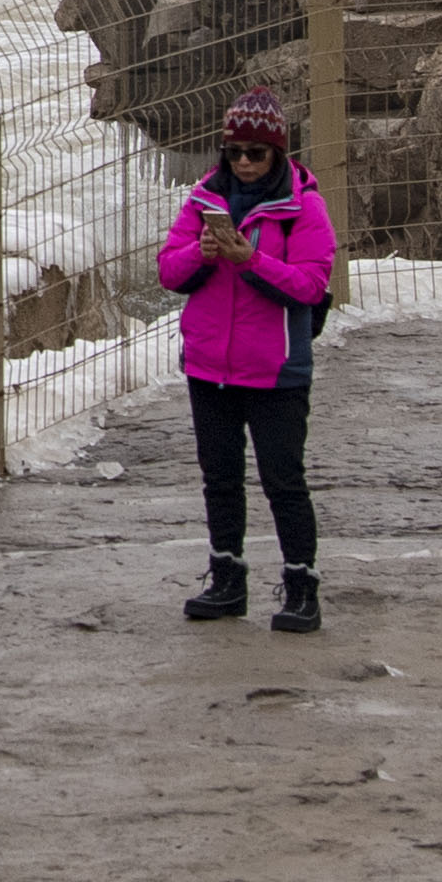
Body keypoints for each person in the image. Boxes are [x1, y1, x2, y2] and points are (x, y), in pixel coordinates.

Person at [152, 91, 331, 626]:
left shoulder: (304, 207)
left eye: (256, 153)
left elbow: (311, 285)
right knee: (220, 478)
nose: (245, 163)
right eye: (235, 153)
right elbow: (169, 271)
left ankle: (301, 587)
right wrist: (201, 253)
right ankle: (227, 580)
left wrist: (251, 261)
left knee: (284, 481)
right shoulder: (204, 198)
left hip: (276, 371)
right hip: (210, 367)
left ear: (277, 153)